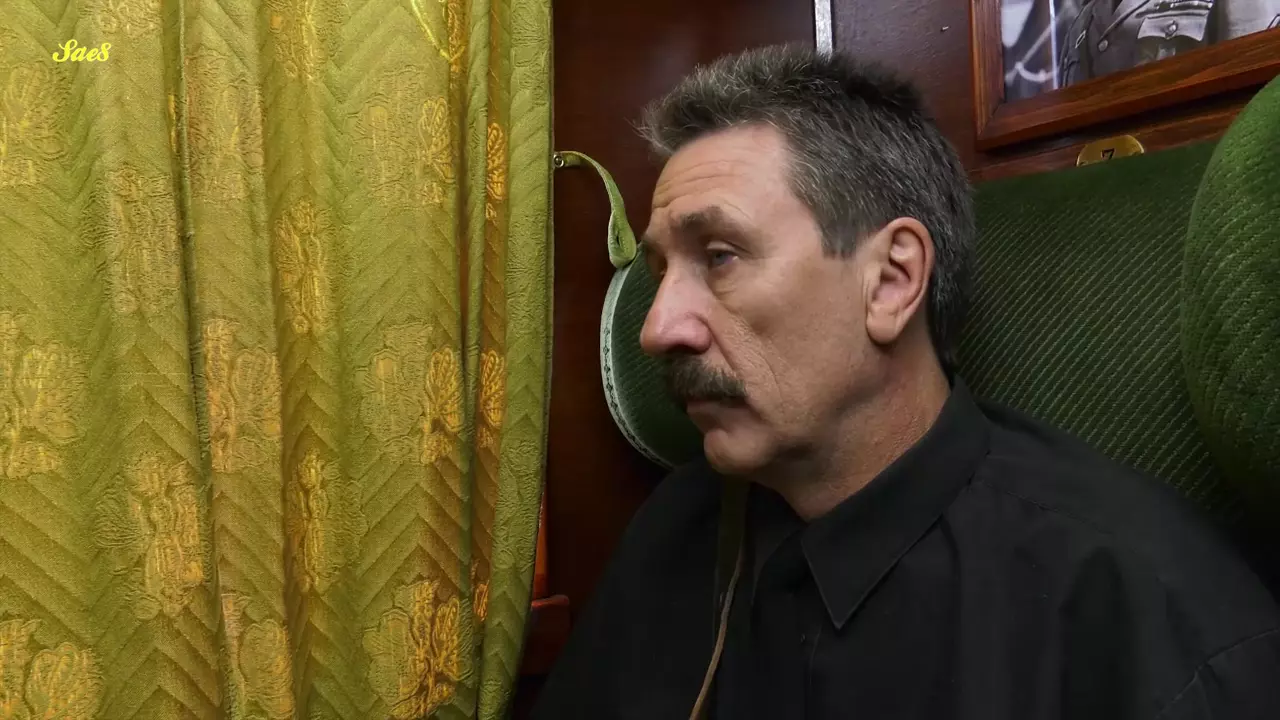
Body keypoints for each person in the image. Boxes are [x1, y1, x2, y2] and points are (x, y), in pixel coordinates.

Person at [530, 46, 1280, 719]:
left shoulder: (1146, 617)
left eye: (720, 256)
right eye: (662, 270)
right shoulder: (675, 528)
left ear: (891, 282)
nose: (657, 328)